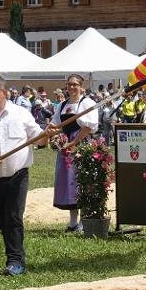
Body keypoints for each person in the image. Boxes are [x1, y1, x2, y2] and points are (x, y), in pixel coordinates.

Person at [0, 75, 59, 276]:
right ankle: (15, 257)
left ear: (4, 93)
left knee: (14, 216)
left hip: (18, 175)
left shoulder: (21, 114)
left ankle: (15, 260)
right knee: (2, 218)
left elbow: (39, 140)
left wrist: (46, 134)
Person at [51, 74, 99, 231]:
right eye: (69, 84)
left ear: (81, 86)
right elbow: (55, 124)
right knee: (68, 182)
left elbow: (88, 127)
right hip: (66, 147)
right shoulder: (63, 105)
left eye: (75, 84)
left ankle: (84, 222)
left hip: (81, 145)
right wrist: (55, 135)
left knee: (82, 181)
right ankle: (72, 222)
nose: (72, 87)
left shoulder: (87, 103)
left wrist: (74, 142)